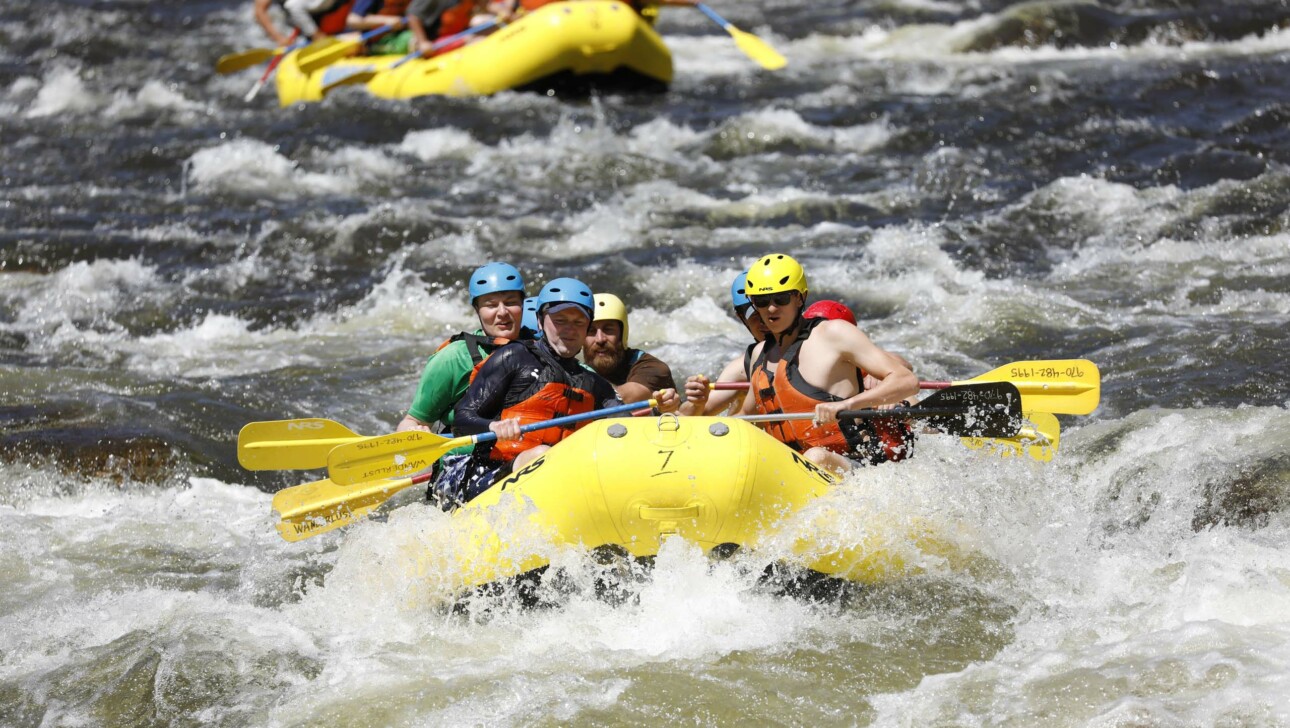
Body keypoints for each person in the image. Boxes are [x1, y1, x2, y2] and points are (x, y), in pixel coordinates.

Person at [439, 278, 679, 506]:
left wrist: (662, 410)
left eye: (578, 323)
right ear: (540, 321)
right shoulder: (513, 357)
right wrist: (493, 426)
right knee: (543, 455)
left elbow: (627, 433)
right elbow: (462, 420)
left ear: (587, 328)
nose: (569, 330)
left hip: (556, 484)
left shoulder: (594, 384)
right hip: (483, 475)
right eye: (560, 320)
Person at [693, 254, 920, 474]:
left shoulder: (834, 334)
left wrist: (849, 404)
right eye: (762, 301)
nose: (771, 309)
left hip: (856, 465)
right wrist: (702, 426)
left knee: (816, 457)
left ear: (800, 298)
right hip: (790, 469)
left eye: (781, 299)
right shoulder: (759, 355)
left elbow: (906, 380)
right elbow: (748, 418)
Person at [395, 262, 526, 434]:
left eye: (511, 302)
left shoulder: (539, 347)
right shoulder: (453, 358)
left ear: (523, 304)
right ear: (477, 309)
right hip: (470, 449)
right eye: (491, 305)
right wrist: (415, 432)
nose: (502, 312)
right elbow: (412, 421)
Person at [680, 270, 767, 416]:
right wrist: (697, 403)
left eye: (778, 302)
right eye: (755, 315)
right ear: (741, 317)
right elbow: (695, 415)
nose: (765, 320)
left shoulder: (807, 344)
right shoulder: (741, 369)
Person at [584, 293, 676, 404]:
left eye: (608, 329)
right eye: (591, 331)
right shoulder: (579, 370)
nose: (600, 339)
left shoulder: (653, 368)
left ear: (622, 334)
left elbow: (626, 398)